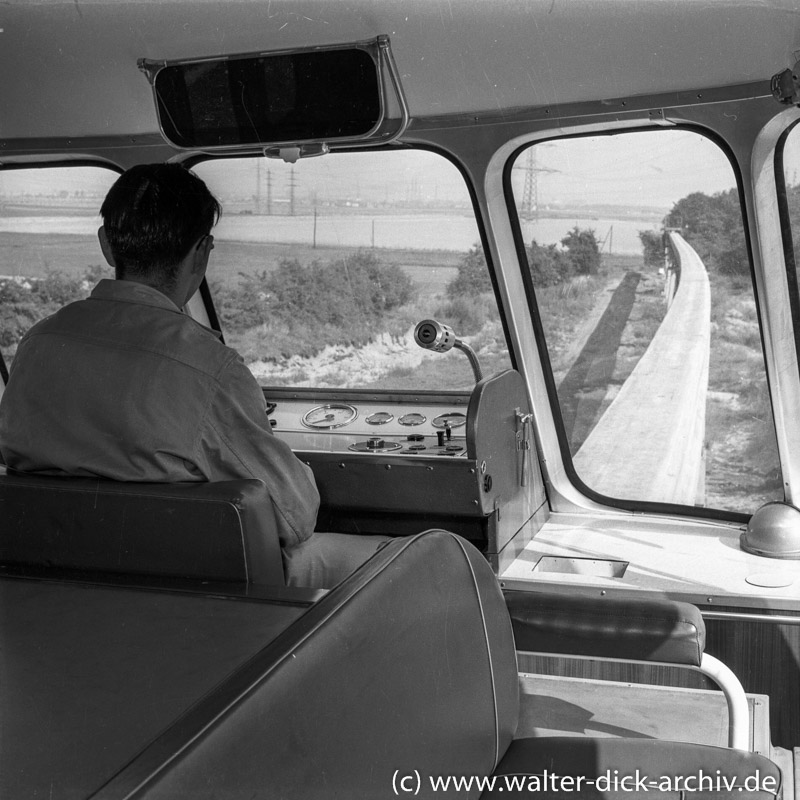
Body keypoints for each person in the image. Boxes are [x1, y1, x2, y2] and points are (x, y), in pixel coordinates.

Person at [0, 163, 390, 588]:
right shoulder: (209, 370)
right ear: (202, 250)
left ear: (106, 245)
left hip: (57, 587)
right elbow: (295, 518)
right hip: (197, 593)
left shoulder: (37, 344)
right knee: (411, 557)